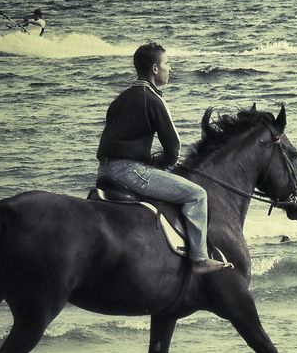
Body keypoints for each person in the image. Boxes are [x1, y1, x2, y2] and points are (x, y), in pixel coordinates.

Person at [96, 42, 231, 274]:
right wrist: (161, 163)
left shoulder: (120, 99)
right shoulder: (153, 99)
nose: (170, 68)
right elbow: (174, 149)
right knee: (197, 194)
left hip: (104, 171)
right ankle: (199, 259)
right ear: (155, 69)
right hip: (130, 171)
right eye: (167, 63)